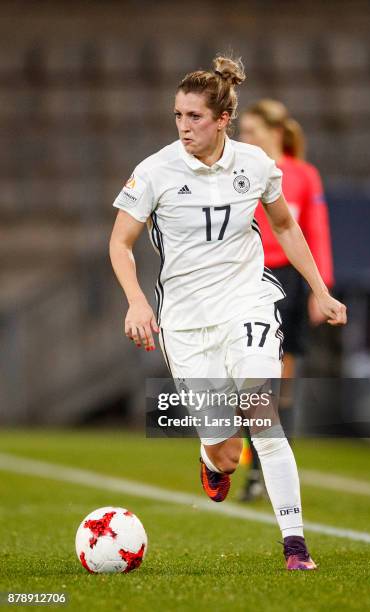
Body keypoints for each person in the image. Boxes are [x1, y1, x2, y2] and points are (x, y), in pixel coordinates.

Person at [109, 55, 347, 571]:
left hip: (247, 301)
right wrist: (135, 300)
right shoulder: (155, 170)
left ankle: (295, 544)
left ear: (222, 120)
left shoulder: (257, 165)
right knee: (224, 449)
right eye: (177, 116)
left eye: (194, 117)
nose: (183, 127)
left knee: (261, 413)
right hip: (187, 322)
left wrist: (320, 290)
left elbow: (285, 227)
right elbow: (120, 243)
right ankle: (210, 457)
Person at [238, 99, 335, 501]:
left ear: (273, 132)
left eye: (250, 131)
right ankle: (256, 466)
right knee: (250, 380)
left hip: (291, 282)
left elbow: (316, 231)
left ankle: (271, 470)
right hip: (250, 278)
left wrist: (321, 287)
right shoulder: (241, 171)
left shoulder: (303, 176)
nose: (244, 139)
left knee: (283, 380)